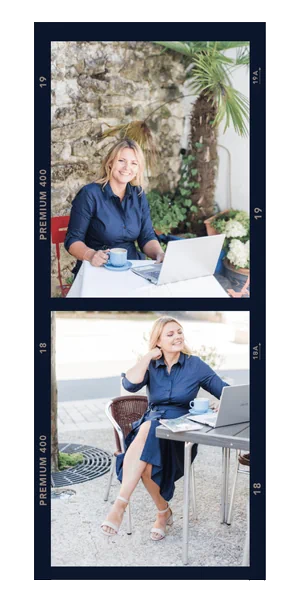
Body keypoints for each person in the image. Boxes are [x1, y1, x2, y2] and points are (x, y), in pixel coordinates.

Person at [101, 316, 229, 541]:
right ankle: (163, 513)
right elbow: (130, 385)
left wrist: (222, 402)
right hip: (151, 427)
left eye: (179, 332)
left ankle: (120, 505)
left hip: (180, 433)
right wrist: (148, 356)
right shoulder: (151, 364)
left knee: (147, 433)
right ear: (158, 341)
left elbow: (225, 391)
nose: (177, 336)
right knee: (148, 444)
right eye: (170, 334)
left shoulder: (195, 365)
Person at [64, 138, 165, 278]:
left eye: (133, 163)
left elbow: (147, 236)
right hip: (97, 270)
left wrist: (159, 254)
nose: (127, 167)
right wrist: (91, 255)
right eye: (121, 160)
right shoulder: (89, 194)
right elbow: (72, 240)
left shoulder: (139, 195)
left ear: (138, 169)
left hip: (132, 269)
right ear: (110, 163)